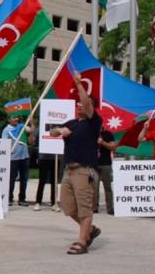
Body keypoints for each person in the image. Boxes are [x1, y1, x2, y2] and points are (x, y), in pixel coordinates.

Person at [49, 73, 102, 255]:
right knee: (67, 206)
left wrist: (79, 84)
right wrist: (59, 130)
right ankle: (90, 230)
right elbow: (53, 132)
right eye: (78, 104)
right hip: (68, 171)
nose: (79, 105)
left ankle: (82, 242)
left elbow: (87, 104)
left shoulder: (94, 122)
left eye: (82, 104)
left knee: (84, 208)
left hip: (84, 170)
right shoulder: (72, 123)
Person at [3, 116, 32, 206]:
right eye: (13, 118)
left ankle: (22, 199)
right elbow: (4, 144)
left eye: (16, 118)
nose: (16, 119)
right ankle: (9, 198)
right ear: (8, 119)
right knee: (11, 180)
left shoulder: (22, 127)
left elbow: (31, 132)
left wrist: (31, 122)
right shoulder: (6, 130)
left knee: (24, 180)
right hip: (13, 158)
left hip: (25, 157)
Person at [94, 128, 118, 215]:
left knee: (107, 187)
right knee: (94, 187)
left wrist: (102, 142)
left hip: (106, 164)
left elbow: (113, 147)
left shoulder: (108, 134)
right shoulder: (90, 131)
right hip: (93, 164)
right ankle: (94, 207)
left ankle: (110, 208)